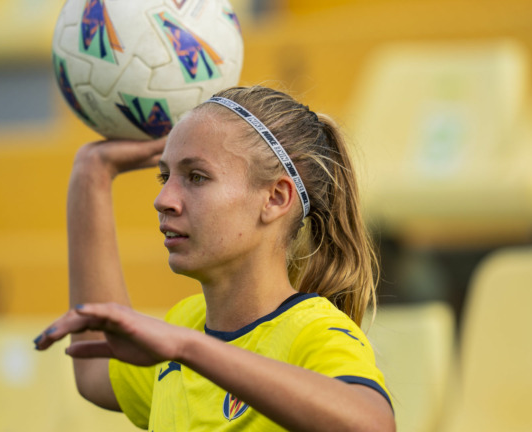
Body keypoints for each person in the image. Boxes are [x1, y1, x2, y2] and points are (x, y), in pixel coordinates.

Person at [34, 85, 395, 431]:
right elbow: (96, 372)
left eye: (196, 177)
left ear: (275, 198)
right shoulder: (187, 322)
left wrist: (188, 348)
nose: (164, 200)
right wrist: (91, 171)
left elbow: (372, 424)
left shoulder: (311, 330)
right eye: (164, 176)